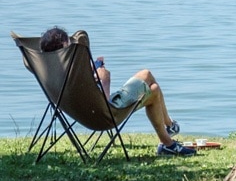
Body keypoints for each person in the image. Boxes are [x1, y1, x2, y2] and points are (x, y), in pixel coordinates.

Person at [39, 27, 196, 157]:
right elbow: (104, 101)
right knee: (153, 90)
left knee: (146, 74)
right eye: (69, 45)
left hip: (83, 111)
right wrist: (103, 77)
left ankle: (169, 125)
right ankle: (167, 142)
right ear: (64, 48)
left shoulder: (51, 71)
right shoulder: (72, 71)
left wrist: (93, 77)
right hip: (104, 114)